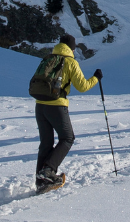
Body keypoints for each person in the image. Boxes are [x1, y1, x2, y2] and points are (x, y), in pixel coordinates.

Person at [34, 36, 102, 193]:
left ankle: (40, 180)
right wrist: (96, 78)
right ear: (72, 48)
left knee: (46, 142)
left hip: (40, 105)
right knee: (67, 138)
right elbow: (82, 86)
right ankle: (48, 171)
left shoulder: (48, 59)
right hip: (57, 106)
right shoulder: (70, 62)